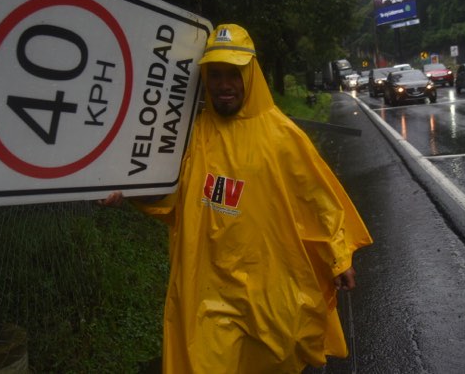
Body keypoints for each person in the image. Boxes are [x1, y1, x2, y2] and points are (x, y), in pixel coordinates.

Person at [100, 24, 372, 373]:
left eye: (234, 74)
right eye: (215, 74)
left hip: (271, 291)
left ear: (251, 74)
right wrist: (128, 191)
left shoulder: (282, 136)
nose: (224, 85)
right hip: (208, 295)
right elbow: (172, 200)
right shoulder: (192, 135)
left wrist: (339, 256)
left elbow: (317, 198)